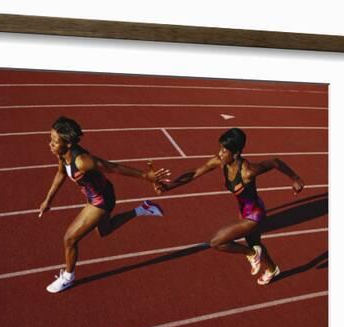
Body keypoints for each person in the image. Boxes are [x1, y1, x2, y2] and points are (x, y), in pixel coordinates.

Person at [155, 127, 304, 285]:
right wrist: (169, 186)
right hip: (244, 211)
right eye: (220, 148)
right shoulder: (220, 161)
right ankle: (271, 269)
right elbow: (195, 173)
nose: (220, 153)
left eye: (224, 151)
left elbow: (274, 162)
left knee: (216, 242)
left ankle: (251, 253)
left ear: (236, 152)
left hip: (254, 216)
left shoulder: (247, 172)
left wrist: (295, 179)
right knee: (255, 242)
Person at [40, 116, 170, 293]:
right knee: (105, 231)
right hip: (95, 195)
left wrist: (146, 176)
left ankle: (68, 277)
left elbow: (113, 167)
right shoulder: (63, 155)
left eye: (54, 142)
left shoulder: (83, 161)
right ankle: (142, 209)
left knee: (69, 239)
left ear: (68, 143)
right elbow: (61, 173)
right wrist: (48, 200)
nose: (50, 144)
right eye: (51, 140)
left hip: (101, 200)